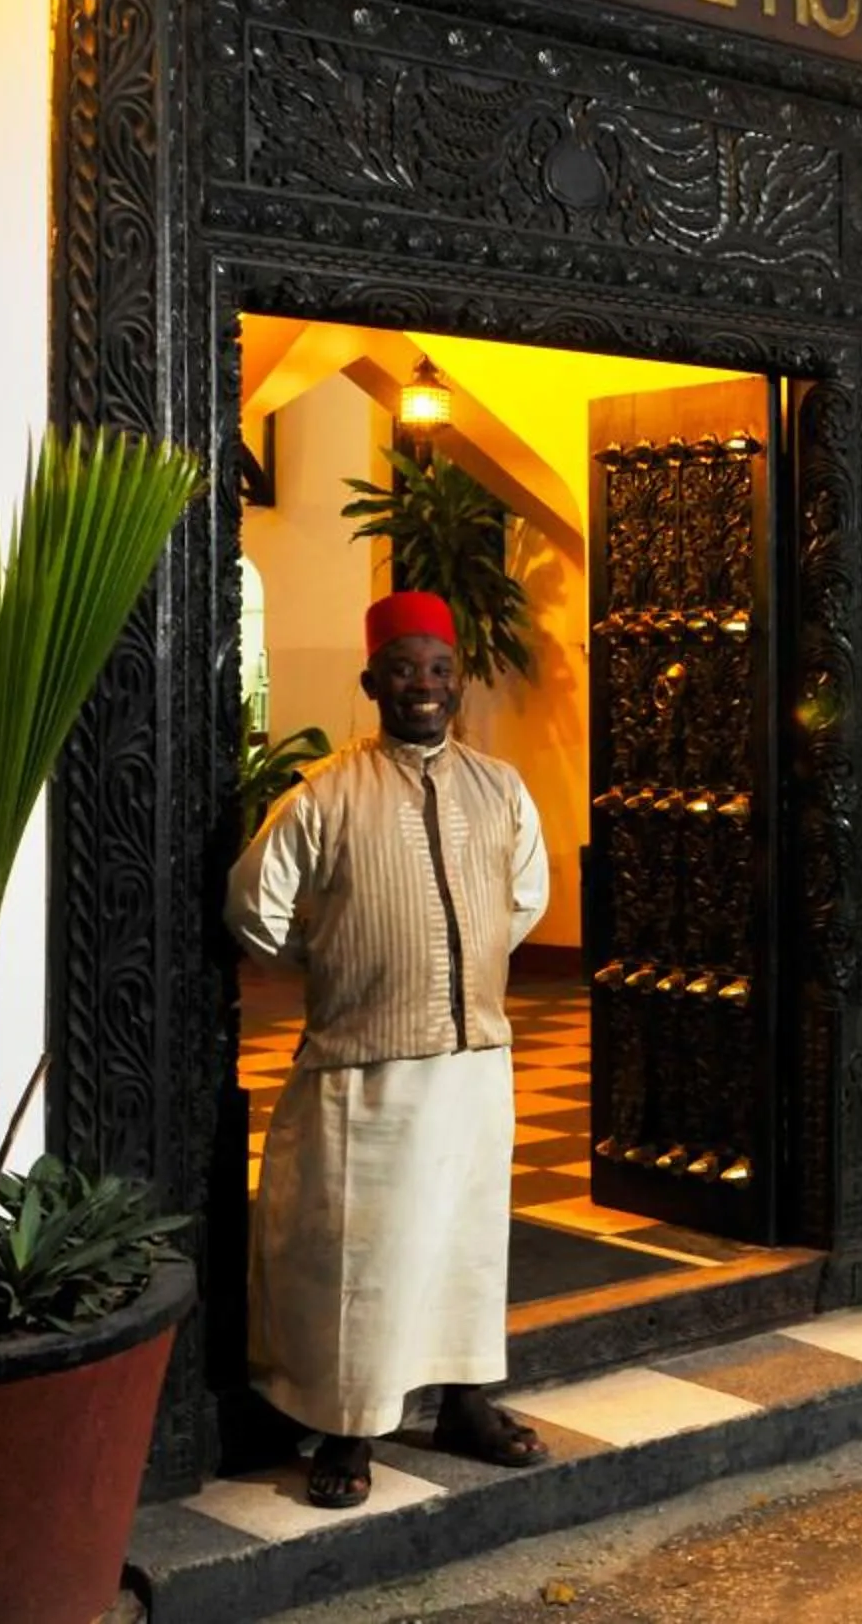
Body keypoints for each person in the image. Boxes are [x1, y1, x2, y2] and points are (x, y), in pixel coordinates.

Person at [227, 590, 553, 1508]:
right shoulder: (324, 794)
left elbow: (524, 898)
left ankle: (463, 1402)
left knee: (465, 1242)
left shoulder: (501, 787)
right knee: (360, 1257)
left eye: (440, 669)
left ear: (459, 680)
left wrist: (465, 961)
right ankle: (348, 1426)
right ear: (372, 683)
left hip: (474, 1060)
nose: (424, 685)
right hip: (364, 1069)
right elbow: (254, 907)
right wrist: (337, 957)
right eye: (404, 669)